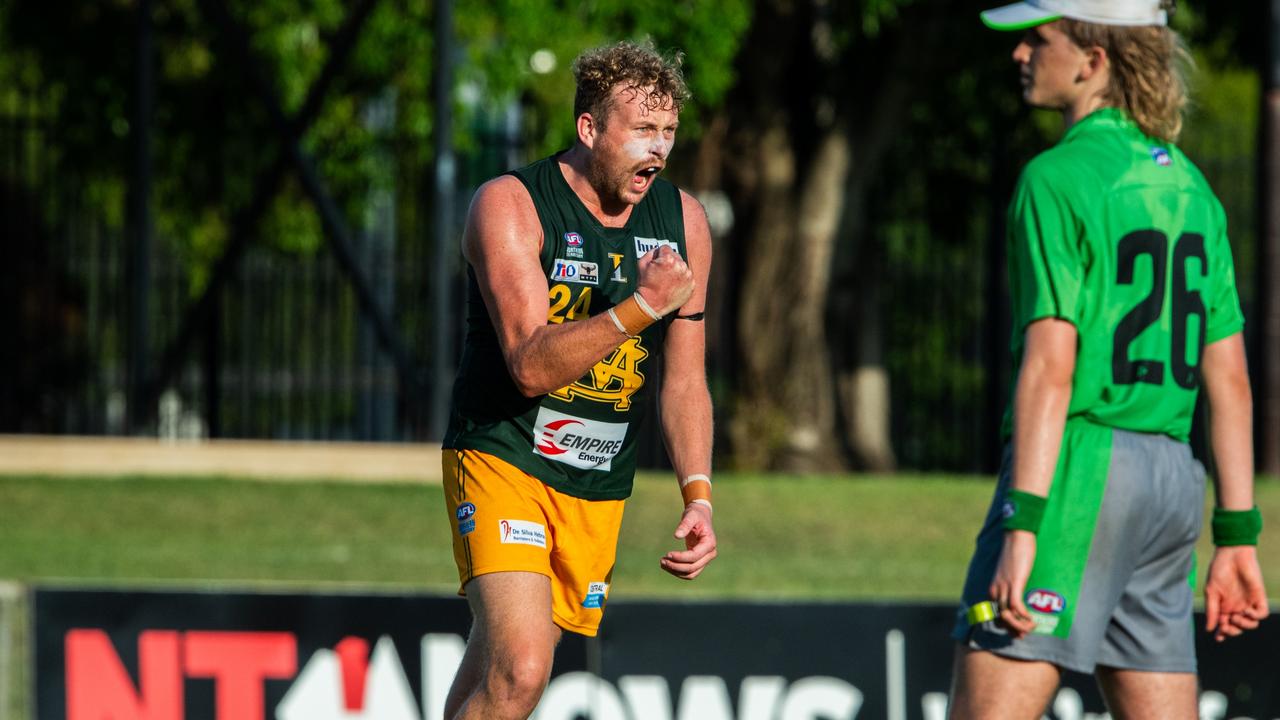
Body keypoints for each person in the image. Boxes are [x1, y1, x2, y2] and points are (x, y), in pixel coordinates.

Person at [949, 2, 1269, 718]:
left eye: (1040, 38)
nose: (1020, 54)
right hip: (1172, 483)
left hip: (1079, 475)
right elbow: (1232, 381)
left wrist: (1022, 523)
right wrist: (1238, 533)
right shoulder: (1193, 187)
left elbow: (1051, 366)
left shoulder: (1056, 178)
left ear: (1094, 59)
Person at [439, 40, 717, 720]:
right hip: (502, 452)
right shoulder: (510, 205)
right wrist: (638, 308)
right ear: (589, 129)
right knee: (525, 667)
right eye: (643, 131)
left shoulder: (684, 223)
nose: (658, 150)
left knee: (497, 673)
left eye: (669, 133)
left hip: (595, 481)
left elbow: (683, 381)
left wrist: (699, 495)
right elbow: (530, 366)